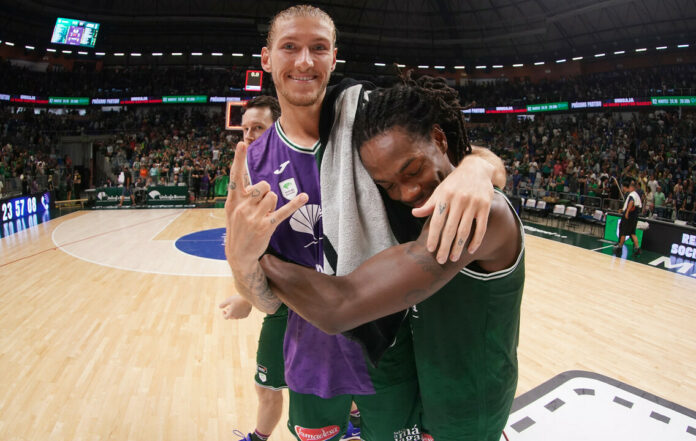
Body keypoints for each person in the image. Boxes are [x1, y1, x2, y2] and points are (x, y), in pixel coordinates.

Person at [224, 5, 505, 441]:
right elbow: (263, 296)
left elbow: (466, 157)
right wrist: (241, 266)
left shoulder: (371, 125)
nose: (304, 61)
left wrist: (478, 168)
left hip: (387, 345)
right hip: (310, 351)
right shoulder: (252, 167)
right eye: (290, 47)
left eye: (318, 48)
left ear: (334, 58)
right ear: (266, 59)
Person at [259, 76, 524, 441]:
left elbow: (339, 306)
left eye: (412, 170)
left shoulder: (477, 213)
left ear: (439, 139)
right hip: (428, 395)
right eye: (388, 186)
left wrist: (257, 253)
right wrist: (478, 163)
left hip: (469, 412)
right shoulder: (422, 206)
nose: (408, 191)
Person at [219, 96, 316, 441]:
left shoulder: (302, 167)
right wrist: (246, 292)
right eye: (245, 129)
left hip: (315, 301)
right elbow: (257, 257)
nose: (248, 136)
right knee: (267, 386)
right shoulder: (246, 182)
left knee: (318, 390)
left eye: (257, 128)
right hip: (281, 305)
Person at [614, 178, 642, 256]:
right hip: (634, 217)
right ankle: (638, 248)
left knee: (623, 232)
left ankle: (619, 248)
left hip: (628, 217)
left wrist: (626, 212)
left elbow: (631, 202)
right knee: (632, 233)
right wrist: (623, 210)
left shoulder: (632, 195)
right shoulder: (636, 194)